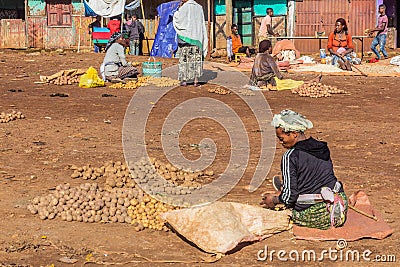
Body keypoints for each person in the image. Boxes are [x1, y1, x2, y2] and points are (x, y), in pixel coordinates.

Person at [260, 110, 348, 230]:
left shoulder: (290, 156)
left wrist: (274, 200)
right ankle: (285, 188)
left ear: (294, 134)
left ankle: (284, 189)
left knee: (288, 201)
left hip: (320, 216)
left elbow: (290, 198)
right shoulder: (322, 147)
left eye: (281, 138)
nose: (280, 142)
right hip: (340, 206)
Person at [173, 0, 208, 87]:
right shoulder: (199, 8)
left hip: (186, 40)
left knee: (185, 61)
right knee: (196, 61)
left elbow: (177, 18)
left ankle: (184, 80)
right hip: (197, 39)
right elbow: (202, 24)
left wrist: (179, 8)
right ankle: (196, 81)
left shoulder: (183, 7)